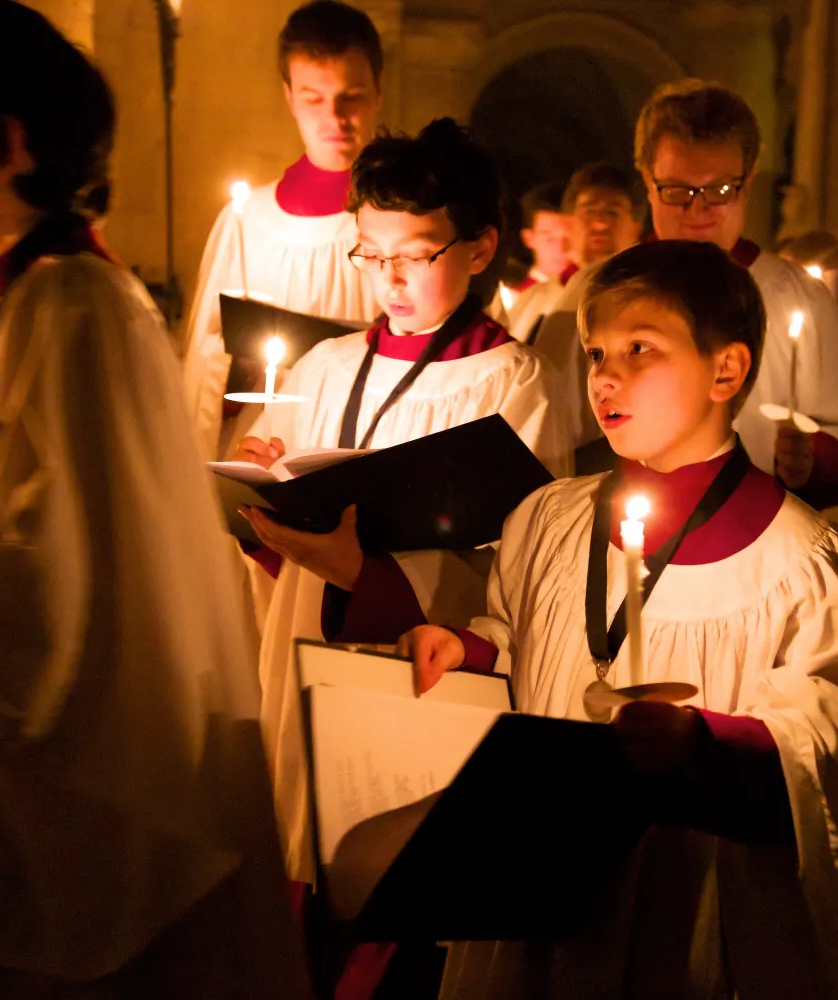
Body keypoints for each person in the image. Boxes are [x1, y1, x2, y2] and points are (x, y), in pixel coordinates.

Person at [0, 2, 309, 996]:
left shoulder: (74, 307)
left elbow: (57, 606)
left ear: (5, 143)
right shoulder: (29, 300)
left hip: (60, 799)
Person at [401, 240, 838, 1000]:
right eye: (596, 353)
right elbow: (522, 638)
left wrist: (710, 744)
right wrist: (464, 650)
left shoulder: (797, 556)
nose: (606, 377)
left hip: (689, 906)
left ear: (727, 370)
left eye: (640, 350)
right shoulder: (547, 517)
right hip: (543, 887)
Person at [230, 117, 569, 890]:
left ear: (481, 248)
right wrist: (258, 501)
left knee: (386, 887)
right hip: (303, 654)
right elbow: (262, 520)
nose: (390, 281)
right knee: (294, 867)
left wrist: (368, 577)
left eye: (415, 257)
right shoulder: (324, 364)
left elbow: (521, 570)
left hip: (420, 675)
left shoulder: (510, 382)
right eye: (372, 255)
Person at [632, 78, 838, 591]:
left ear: (749, 181)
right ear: (647, 180)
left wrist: (818, 459)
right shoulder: (603, 293)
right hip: (633, 573)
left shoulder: (792, 296)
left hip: (760, 578)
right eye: (677, 191)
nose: (698, 212)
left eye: (721, 190)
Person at [180, 0, 382, 461]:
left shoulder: (413, 224)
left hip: (367, 442)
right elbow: (204, 367)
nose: (334, 117)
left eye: (352, 96)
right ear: (289, 96)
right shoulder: (248, 221)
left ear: (378, 91)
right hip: (261, 446)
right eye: (314, 98)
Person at [525, 162, 648, 444]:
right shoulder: (533, 298)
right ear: (568, 221)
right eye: (590, 211)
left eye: (613, 212)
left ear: (637, 225)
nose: (601, 223)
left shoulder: (647, 298)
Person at [503, 180, 576, 343]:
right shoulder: (508, 297)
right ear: (528, 238)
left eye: (567, 236)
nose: (561, 247)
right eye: (549, 238)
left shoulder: (585, 291)